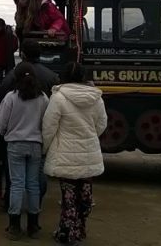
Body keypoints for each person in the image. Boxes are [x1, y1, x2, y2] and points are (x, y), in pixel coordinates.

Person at [42, 62, 108, 245]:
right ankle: (80, 228)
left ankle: (66, 232)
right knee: (85, 195)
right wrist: (90, 137)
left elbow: (49, 127)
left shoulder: (58, 98)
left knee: (68, 197)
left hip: (65, 155)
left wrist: (45, 148)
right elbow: (102, 124)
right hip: (88, 154)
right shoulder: (96, 98)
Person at [0, 62, 49, 240]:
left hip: (15, 144)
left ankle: (14, 226)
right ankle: (33, 225)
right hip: (36, 144)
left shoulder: (11, 97)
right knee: (33, 184)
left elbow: (1, 123)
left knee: (17, 184)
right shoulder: (43, 98)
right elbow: (47, 123)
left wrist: (5, 133)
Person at [0, 18, 18, 83]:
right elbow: (15, 46)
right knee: (8, 76)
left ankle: (1, 85)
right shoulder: (10, 35)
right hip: (8, 60)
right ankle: (5, 87)